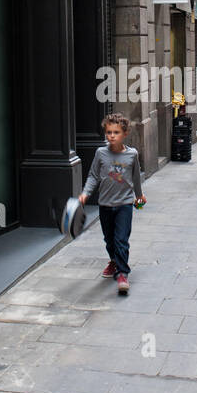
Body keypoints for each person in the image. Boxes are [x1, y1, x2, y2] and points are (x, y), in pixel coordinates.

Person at [78, 113, 145, 295]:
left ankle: (123, 273)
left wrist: (139, 195)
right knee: (109, 240)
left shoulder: (132, 154)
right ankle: (114, 260)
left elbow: (136, 177)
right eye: (108, 132)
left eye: (116, 132)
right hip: (105, 204)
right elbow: (93, 175)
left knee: (121, 239)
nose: (111, 136)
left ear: (125, 133)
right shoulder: (101, 153)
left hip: (124, 204)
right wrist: (85, 193)